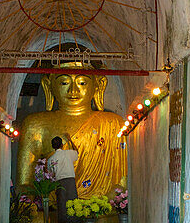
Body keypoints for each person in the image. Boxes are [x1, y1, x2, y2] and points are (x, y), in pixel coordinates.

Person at [16, 64, 127, 199]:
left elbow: (123, 181)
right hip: (53, 205)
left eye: (82, 82)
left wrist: (104, 203)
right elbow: (24, 183)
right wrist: (29, 204)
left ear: (99, 84)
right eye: (64, 82)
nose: (73, 90)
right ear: (48, 84)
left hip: (100, 207)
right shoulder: (35, 124)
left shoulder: (113, 124)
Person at [49, 136, 79, 223]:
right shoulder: (68, 153)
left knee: (61, 206)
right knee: (73, 204)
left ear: (53, 146)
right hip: (70, 181)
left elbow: (51, 174)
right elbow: (77, 152)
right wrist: (70, 140)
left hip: (59, 183)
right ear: (62, 145)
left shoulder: (51, 159)